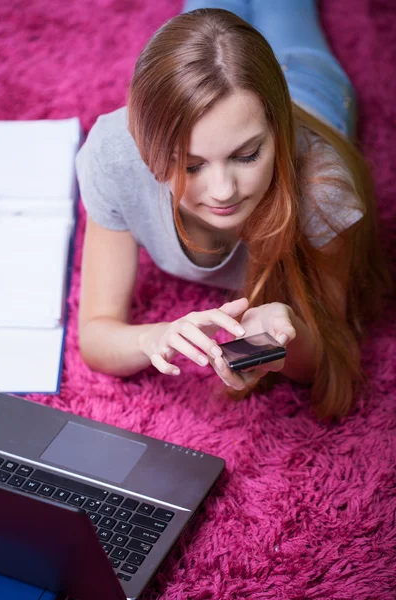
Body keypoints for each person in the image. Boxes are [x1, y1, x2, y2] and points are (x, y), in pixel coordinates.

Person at [75, 1, 390, 419]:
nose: (223, 192)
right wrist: (153, 338)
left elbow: (329, 355)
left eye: (247, 156)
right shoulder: (115, 154)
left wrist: (288, 334)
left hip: (309, 85)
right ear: (148, 150)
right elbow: (96, 332)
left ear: (276, 133)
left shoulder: (320, 189)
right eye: (190, 164)